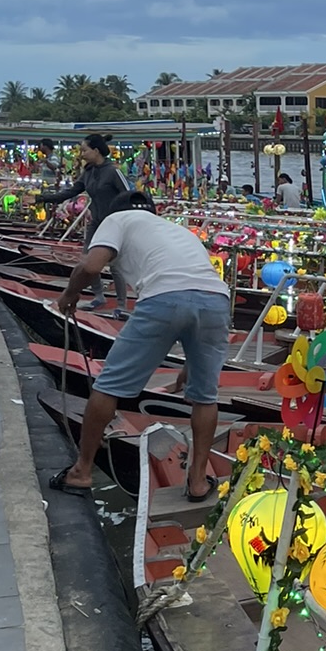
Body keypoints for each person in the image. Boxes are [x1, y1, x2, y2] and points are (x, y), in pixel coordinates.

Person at [48, 193, 230, 502]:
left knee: (107, 388)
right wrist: (190, 366)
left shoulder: (116, 219)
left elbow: (91, 266)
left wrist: (69, 295)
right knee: (205, 397)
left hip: (163, 297)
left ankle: (82, 470)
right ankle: (198, 482)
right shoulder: (176, 229)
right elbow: (195, 289)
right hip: (216, 299)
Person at [42, 133, 130, 315]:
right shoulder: (89, 173)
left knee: (115, 265)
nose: (81, 154)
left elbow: (129, 196)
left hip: (114, 223)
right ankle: (99, 296)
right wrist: (43, 198)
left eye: (84, 150)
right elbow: (70, 192)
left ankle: (121, 305)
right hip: (96, 222)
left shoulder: (113, 172)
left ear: (96, 151)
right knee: (86, 260)